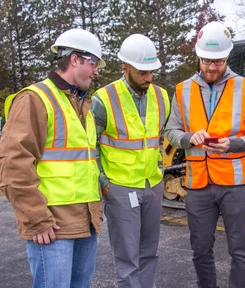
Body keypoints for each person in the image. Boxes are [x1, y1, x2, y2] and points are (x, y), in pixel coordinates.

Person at [0, 28, 105, 288]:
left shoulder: (82, 105)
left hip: (85, 222)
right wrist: (36, 219)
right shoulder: (35, 99)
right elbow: (12, 166)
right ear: (75, 59)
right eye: (93, 63)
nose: (97, 71)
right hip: (51, 227)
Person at [165, 21, 245, 288]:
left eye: (219, 61)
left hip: (235, 183)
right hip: (198, 182)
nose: (212, 67)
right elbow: (171, 132)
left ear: (228, 57)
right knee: (200, 249)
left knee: (240, 250)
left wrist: (234, 144)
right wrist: (189, 138)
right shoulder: (182, 90)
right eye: (207, 61)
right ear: (198, 57)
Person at [91, 34, 169, 288]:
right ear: (124, 67)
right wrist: (103, 182)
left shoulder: (161, 96)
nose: (149, 78)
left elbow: (165, 135)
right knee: (127, 260)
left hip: (152, 184)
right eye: (143, 72)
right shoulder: (103, 99)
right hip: (121, 188)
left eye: (152, 72)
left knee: (149, 253)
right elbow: (89, 146)